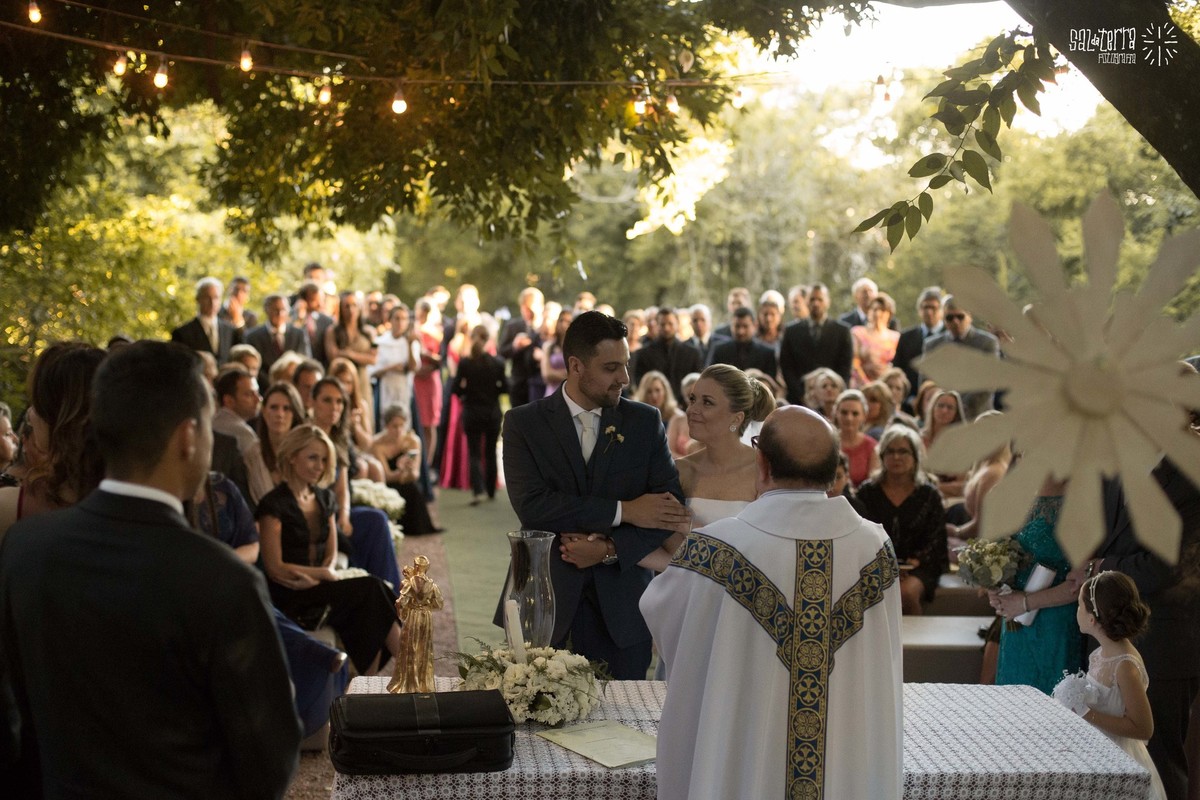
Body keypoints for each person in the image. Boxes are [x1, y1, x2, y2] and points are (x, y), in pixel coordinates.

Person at [0, 340, 300, 797]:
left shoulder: (25, 550)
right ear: (188, 437)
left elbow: (12, 722)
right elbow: (269, 759)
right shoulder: (221, 579)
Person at [640, 405, 902, 800]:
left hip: (743, 761)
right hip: (844, 761)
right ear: (833, 471)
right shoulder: (876, 549)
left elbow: (664, 617)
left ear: (761, 464)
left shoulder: (716, 550)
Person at [501, 311, 690, 679]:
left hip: (623, 607)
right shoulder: (523, 423)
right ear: (576, 366)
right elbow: (533, 506)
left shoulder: (645, 422)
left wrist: (609, 549)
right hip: (544, 599)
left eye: (626, 364)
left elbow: (668, 511)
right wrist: (624, 510)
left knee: (624, 712)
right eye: (611, 367)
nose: (625, 378)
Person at [256, 424, 401, 675]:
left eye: (324, 460)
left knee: (374, 598)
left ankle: (379, 680)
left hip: (320, 587)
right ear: (292, 457)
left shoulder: (325, 499)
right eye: (312, 458)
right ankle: (410, 667)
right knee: (372, 590)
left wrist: (324, 573)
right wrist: (322, 575)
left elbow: (331, 553)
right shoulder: (273, 504)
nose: (320, 466)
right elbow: (274, 567)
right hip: (291, 595)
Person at [1062, 572, 1167, 800]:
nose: (1076, 611)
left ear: (1092, 619)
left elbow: (1144, 728)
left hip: (1119, 760)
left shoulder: (1125, 667)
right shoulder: (1100, 654)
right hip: (1096, 750)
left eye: (1079, 606)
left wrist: (1087, 714)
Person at [0, 342, 106, 537]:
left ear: (56, 416)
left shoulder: (9, 509)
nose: (30, 414)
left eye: (36, 403)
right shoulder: (139, 509)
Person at [989, 479, 1083, 694]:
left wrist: (1024, 603)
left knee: (1053, 699)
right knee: (1013, 697)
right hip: (1014, 624)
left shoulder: (1081, 495)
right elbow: (994, 557)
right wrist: (993, 588)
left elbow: (1080, 582)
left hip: (1056, 623)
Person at [855, 425, 948, 615]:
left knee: (905, 593)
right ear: (882, 456)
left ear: (915, 456)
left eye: (903, 451)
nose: (896, 457)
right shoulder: (867, 492)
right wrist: (887, 565)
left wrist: (914, 562)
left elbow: (937, 539)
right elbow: (858, 534)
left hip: (920, 565)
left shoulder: (929, 494)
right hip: (875, 563)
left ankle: (911, 636)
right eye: (891, 451)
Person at [452, 325, 508, 505]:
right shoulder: (497, 363)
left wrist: (466, 394)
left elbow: (455, 387)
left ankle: (477, 489)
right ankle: (491, 489)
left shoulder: (465, 363)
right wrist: (494, 391)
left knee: (474, 452)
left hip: (472, 411)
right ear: (488, 340)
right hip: (492, 412)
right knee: (490, 451)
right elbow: (506, 387)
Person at [922, 294, 1000, 420]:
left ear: (970, 316)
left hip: (976, 415)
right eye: (950, 318)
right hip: (941, 414)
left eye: (960, 316)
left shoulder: (987, 343)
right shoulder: (932, 345)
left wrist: (959, 407)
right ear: (943, 319)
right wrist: (944, 406)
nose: (955, 321)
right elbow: (927, 383)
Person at [371, 404, 439, 535]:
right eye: (394, 426)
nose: (398, 430)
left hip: (407, 483)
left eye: (401, 426)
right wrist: (400, 470)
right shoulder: (377, 444)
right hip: (389, 484)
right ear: (386, 426)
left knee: (413, 488)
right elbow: (386, 476)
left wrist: (407, 470)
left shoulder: (413, 441)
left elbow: (415, 474)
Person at [779, 282, 854, 401]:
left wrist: (834, 393)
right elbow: (787, 367)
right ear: (806, 301)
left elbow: (845, 368)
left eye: (820, 299)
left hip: (832, 399)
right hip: (799, 399)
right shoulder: (791, 331)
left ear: (828, 302)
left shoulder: (842, 331)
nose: (816, 303)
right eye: (812, 299)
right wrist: (801, 395)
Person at [324, 291, 378, 427]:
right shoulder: (333, 331)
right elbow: (333, 356)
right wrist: (361, 356)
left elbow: (373, 359)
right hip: (341, 381)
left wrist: (350, 354)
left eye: (354, 305)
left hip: (362, 380)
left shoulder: (369, 332)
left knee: (364, 418)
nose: (351, 310)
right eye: (346, 306)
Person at [244, 293, 312, 387]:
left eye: (283, 310)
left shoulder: (299, 334)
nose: (280, 314)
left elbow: (305, 361)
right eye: (275, 310)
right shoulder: (252, 336)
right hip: (264, 387)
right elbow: (253, 367)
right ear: (266, 310)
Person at [171, 276, 241, 363]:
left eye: (216, 297)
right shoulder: (182, 333)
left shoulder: (230, 331)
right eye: (207, 297)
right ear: (198, 299)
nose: (212, 302)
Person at [893, 287, 943, 404]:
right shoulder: (906, 337)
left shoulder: (949, 338)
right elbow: (898, 370)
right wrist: (909, 399)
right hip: (910, 402)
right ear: (919, 310)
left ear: (941, 310)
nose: (929, 312)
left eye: (933, 308)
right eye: (925, 307)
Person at [371, 303, 418, 421]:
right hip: (385, 389)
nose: (400, 322)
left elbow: (413, 367)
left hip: (404, 390)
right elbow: (373, 371)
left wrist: (409, 345)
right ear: (390, 320)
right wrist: (391, 368)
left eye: (404, 319)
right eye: (397, 318)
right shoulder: (380, 342)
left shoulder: (410, 342)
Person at [499, 287, 545, 408]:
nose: (527, 313)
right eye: (524, 309)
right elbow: (501, 353)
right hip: (519, 384)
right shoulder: (513, 326)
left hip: (540, 384)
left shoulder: (546, 328)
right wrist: (515, 346)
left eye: (530, 309)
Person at [413, 297, 443, 472]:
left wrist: (426, 355)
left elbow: (441, 359)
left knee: (429, 423)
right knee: (417, 420)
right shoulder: (413, 331)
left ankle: (428, 463)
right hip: (416, 380)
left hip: (430, 380)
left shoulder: (436, 333)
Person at [850, 291, 900, 388]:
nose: (877, 313)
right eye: (874, 309)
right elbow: (854, 363)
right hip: (862, 385)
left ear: (889, 314)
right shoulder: (858, 333)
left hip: (887, 387)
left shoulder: (896, 337)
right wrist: (867, 384)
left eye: (882, 310)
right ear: (868, 311)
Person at [707, 306, 777, 375]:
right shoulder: (719, 350)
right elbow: (709, 376)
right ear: (731, 326)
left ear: (754, 326)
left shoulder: (767, 354)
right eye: (737, 326)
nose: (741, 331)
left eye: (745, 326)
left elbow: (769, 380)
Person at [832, 389, 878, 488]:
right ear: (836, 413)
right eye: (844, 412)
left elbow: (873, 484)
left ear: (864, 416)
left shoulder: (872, 447)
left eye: (855, 413)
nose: (849, 418)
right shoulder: (827, 442)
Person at [540, 307, 573, 397]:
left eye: (568, 321)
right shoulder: (548, 346)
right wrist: (568, 375)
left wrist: (555, 373)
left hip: (571, 395)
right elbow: (546, 375)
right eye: (561, 320)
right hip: (552, 393)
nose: (563, 324)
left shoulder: (577, 347)